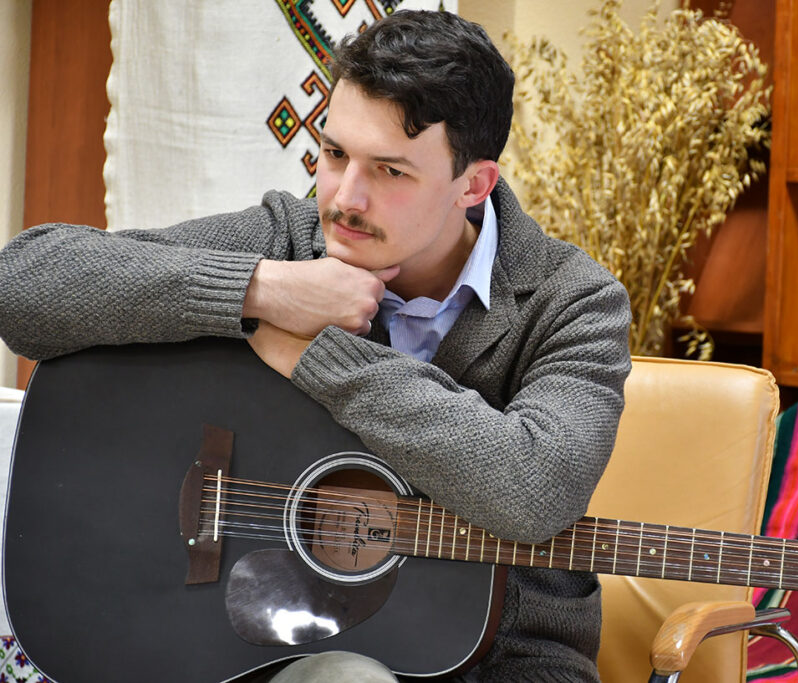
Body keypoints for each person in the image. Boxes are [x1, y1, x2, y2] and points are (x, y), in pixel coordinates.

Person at [0, 10, 631, 682]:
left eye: (389, 171)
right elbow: (23, 284)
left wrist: (319, 356)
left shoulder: (576, 301)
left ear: (473, 185)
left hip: (508, 658)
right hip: (279, 648)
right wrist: (262, 289)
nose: (344, 199)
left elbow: (534, 490)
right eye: (334, 155)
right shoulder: (290, 242)